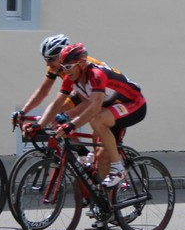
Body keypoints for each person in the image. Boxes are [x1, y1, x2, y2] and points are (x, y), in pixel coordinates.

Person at [38, 42, 146, 188]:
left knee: (97, 120)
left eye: (68, 67)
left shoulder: (96, 74)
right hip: (110, 108)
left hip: (133, 104)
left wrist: (71, 125)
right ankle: (104, 201)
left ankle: (118, 169)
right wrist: (41, 124)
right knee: (99, 157)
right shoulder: (71, 77)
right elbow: (58, 103)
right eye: (63, 67)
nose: (66, 71)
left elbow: (94, 107)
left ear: (81, 63)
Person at [11, 34, 107, 133]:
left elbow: (90, 101)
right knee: (54, 115)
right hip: (81, 94)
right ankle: (74, 146)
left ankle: (76, 145)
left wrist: (67, 115)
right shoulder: (55, 67)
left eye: (50, 59)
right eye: (45, 59)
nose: (47, 64)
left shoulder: (81, 65)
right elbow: (42, 91)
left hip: (103, 98)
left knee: (98, 138)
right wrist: (22, 112)